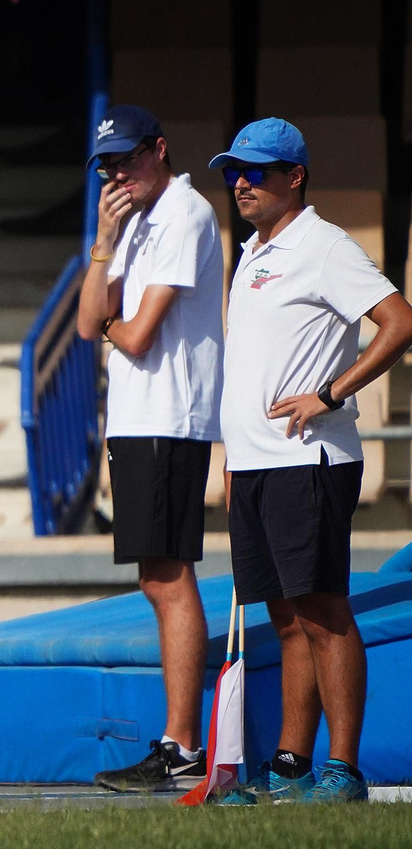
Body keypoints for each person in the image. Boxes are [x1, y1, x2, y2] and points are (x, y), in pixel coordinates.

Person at [212, 119, 412, 804]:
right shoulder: (253, 251)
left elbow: (400, 320)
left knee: (324, 610)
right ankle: (293, 763)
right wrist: (237, 457)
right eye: (234, 171)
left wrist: (329, 393)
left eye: (257, 171)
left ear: (294, 175)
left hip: (310, 458)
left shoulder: (323, 245)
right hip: (257, 463)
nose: (242, 182)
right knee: (287, 615)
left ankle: (343, 769)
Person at [76, 105, 224, 793]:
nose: (118, 175)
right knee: (154, 575)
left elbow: (134, 337)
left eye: (128, 160)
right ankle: (177, 741)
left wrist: (113, 317)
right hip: (138, 418)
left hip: (169, 414)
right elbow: (89, 323)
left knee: (169, 574)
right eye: (108, 165)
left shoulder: (185, 212)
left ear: (159, 150)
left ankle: (182, 743)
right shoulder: (133, 224)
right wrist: (104, 238)